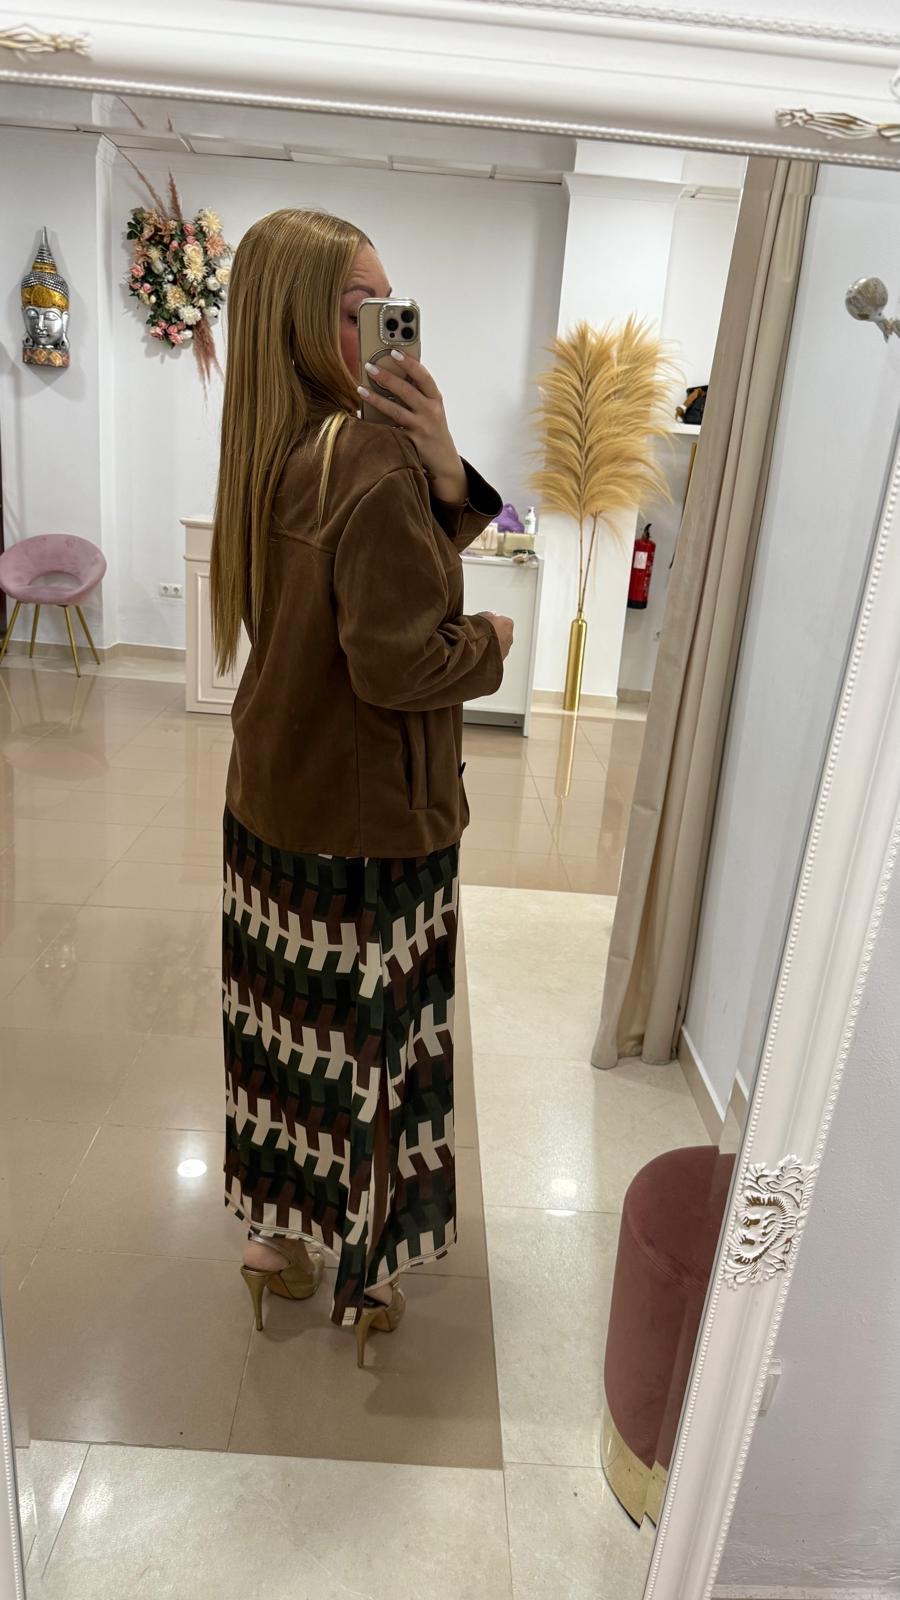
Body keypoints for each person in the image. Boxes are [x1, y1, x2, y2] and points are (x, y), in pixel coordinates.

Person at [210, 208, 514, 1368]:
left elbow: (381, 585)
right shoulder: (372, 460)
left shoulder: (271, 450)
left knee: (282, 1046)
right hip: (374, 834)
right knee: (376, 1061)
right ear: (299, 321)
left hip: (270, 809)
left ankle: (271, 1244)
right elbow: (400, 660)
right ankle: (368, 1272)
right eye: (356, 311)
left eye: (388, 305)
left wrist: (446, 467)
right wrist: (489, 640)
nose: (384, 329)